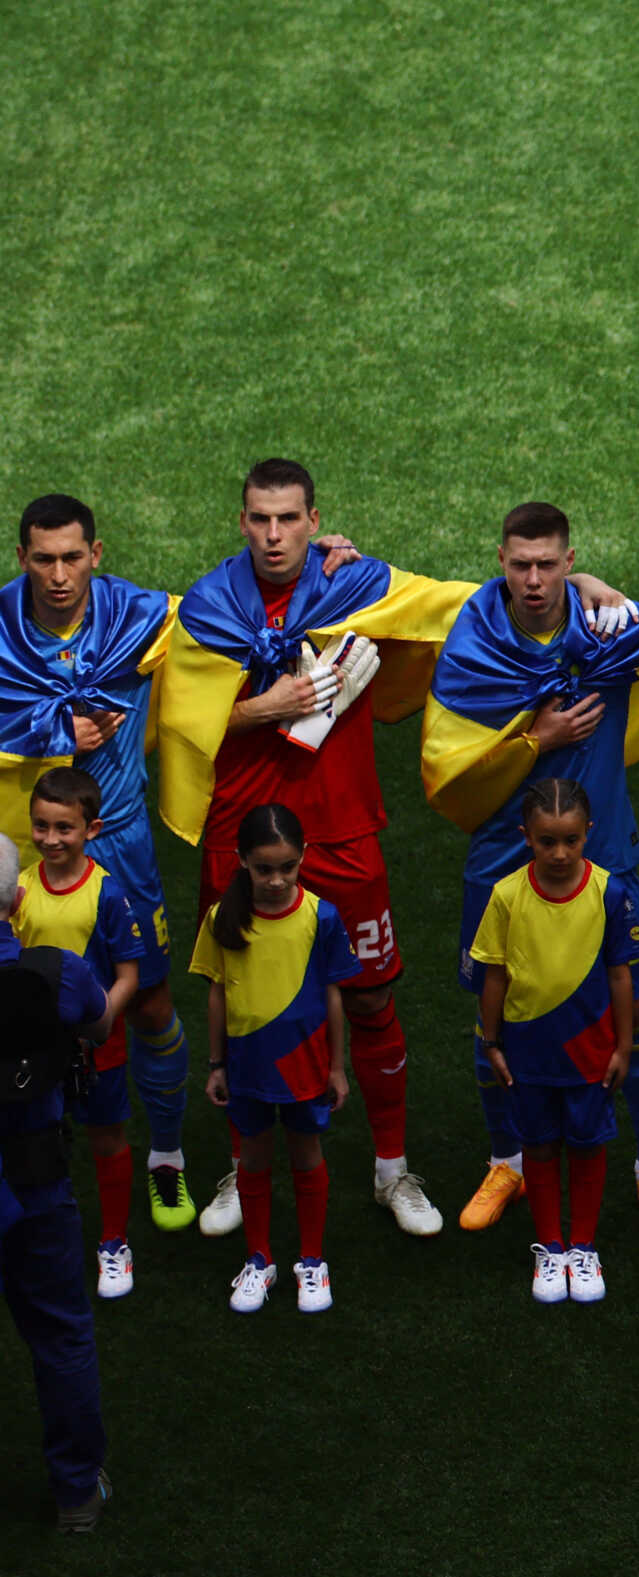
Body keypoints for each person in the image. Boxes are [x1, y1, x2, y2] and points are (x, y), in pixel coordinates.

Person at [163, 459, 603, 1239]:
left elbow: (462, 603)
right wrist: (272, 705)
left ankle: (392, 1171)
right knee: (236, 989)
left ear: (313, 518)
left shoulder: (355, 585)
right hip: (243, 834)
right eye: (259, 519)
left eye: (288, 519)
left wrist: (584, 585)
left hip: (341, 831)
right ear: (241, 522)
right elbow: (176, 721)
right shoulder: (207, 606)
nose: (273, 534)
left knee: (369, 995)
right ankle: (244, 1163)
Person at [422, 502, 639, 1241]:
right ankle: (508, 1161)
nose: (533, 578)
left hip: (605, 859)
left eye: (550, 564)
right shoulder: (474, 641)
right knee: (494, 1017)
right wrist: (535, 738)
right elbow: (450, 771)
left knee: (636, 1011)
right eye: (520, 564)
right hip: (502, 863)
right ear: (500, 560)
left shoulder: (608, 626)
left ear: (569, 559)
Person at [1, 495, 220, 1232]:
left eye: (72, 557)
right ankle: (36, 1154)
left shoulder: (138, 614)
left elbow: (237, 605)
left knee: (152, 1003)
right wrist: (53, 730)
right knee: (26, 1009)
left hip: (121, 849)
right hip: (32, 855)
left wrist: (327, 556)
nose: (58, 574)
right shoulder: (0, 629)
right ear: (21, 557)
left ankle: (165, 1156)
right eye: (42, 558)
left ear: (97, 553)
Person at [469, 779, 639, 1306]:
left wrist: (623, 1046)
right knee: (540, 1144)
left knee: (589, 1143)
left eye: (571, 839)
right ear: (527, 837)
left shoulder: (611, 893)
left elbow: (621, 976)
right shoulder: (505, 896)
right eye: (548, 841)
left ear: (588, 833)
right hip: (527, 1050)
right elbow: (494, 976)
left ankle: (583, 1247)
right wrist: (493, 1042)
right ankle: (550, 1247)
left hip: (591, 1049)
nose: (560, 852)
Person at [192, 804, 361, 1316]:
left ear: (303, 857)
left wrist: (336, 1067)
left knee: (307, 1155)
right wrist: (216, 1063)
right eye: (264, 869)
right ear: (243, 861)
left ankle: (312, 1261)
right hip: (246, 1067)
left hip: (306, 1066)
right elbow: (217, 993)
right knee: (254, 1158)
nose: (276, 879)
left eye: (287, 867)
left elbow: (334, 996)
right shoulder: (223, 919)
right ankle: (259, 1259)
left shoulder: (321, 916)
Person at [0, 829, 117, 1532]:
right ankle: (76, 1492)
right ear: (16, 901)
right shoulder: (56, 971)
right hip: (35, 1178)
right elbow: (101, 1025)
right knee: (61, 1335)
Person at [13, 770, 147, 1297]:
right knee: (34, 1135)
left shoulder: (108, 895)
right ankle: (33, 1229)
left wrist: (100, 1022)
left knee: (107, 1136)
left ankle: (114, 1242)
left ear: (92, 829)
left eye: (64, 828)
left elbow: (130, 975)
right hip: (33, 1048)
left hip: (98, 1048)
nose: (50, 839)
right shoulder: (19, 889)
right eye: (41, 826)